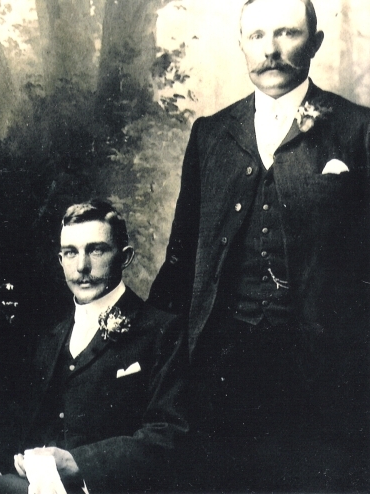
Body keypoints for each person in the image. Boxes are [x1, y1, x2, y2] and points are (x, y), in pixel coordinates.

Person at [148, 0, 370, 490]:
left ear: (315, 43)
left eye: (287, 34)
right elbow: (182, 258)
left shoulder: (358, 129)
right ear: (242, 43)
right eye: (257, 36)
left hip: (326, 371)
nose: (270, 50)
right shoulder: (210, 135)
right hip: (220, 368)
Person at [0, 199, 187, 494]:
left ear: (125, 256)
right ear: (60, 260)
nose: (82, 266)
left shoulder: (161, 330)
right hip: (41, 487)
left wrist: (78, 463)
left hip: (109, 488)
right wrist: (22, 460)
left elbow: (169, 436)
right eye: (71, 253)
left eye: (97, 249)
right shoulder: (51, 336)